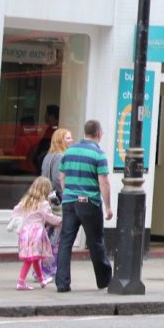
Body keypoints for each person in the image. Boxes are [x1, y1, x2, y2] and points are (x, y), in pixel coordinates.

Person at [55, 119, 113, 293]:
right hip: (89, 202)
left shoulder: (69, 151)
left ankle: (62, 283)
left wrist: (67, 194)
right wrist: (108, 207)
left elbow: (61, 177)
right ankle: (104, 281)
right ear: (99, 133)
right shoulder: (99, 155)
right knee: (95, 242)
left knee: (65, 242)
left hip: (69, 202)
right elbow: (103, 182)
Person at [11, 176, 61, 290]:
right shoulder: (43, 204)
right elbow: (49, 217)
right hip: (36, 233)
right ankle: (21, 282)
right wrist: (61, 220)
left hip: (25, 233)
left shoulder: (26, 201)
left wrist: (18, 221)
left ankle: (42, 280)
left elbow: (15, 211)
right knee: (30, 259)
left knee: (34, 258)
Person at [38, 127, 72, 280]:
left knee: (46, 235)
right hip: (58, 202)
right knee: (55, 237)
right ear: (60, 140)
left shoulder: (48, 156)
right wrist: (67, 193)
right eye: (68, 138)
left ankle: (39, 268)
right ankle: (49, 268)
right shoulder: (61, 156)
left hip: (47, 199)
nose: (71, 141)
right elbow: (59, 180)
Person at [31, 105, 60, 173]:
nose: (45, 117)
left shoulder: (54, 129)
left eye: (46, 114)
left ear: (51, 116)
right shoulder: (50, 128)